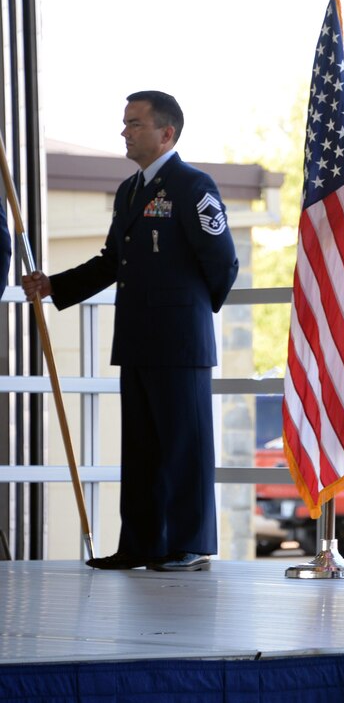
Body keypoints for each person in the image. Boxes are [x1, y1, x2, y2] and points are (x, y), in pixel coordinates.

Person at [22, 91, 238, 572]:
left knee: (184, 445)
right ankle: (141, 544)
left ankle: (189, 545)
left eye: (135, 123)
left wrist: (192, 313)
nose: (125, 131)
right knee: (141, 448)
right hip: (137, 337)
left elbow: (222, 262)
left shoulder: (192, 185)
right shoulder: (129, 191)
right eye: (125, 123)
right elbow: (111, 262)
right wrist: (54, 285)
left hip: (180, 341)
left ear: (167, 133)